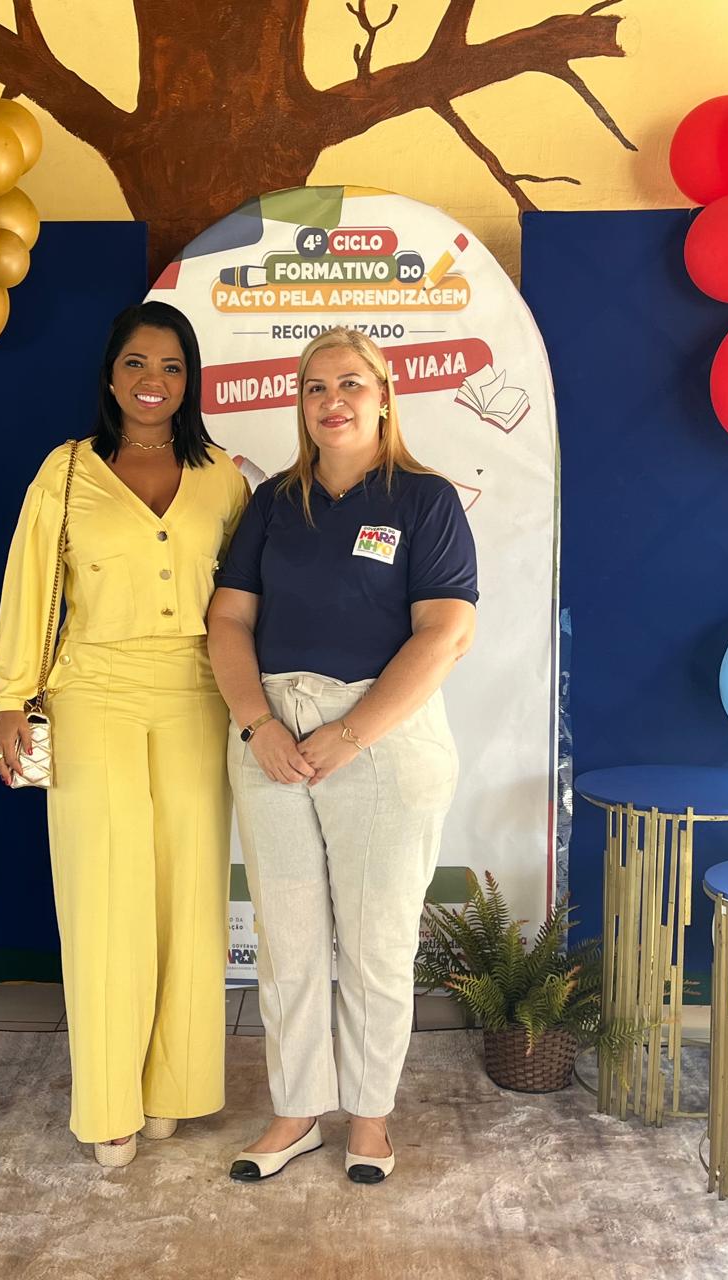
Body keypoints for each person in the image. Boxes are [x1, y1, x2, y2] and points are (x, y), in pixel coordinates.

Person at [207, 328, 477, 1185]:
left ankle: (368, 1118)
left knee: (376, 942)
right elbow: (228, 621)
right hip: (272, 733)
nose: (333, 401)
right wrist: (259, 724)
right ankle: (295, 1114)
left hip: (382, 739)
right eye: (316, 386)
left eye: (352, 383)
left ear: (384, 396)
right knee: (287, 941)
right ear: (300, 403)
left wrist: (351, 732)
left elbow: (446, 632)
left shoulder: (424, 500)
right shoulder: (273, 503)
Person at [0, 301, 249, 1167]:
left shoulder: (223, 478)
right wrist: (11, 699)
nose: (153, 381)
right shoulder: (66, 472)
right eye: (137, 363)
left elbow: (251, 602)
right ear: (110, 375)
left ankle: (175, 1086)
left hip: (198, 696)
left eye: (171, 366)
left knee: (189, 894)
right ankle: (109, 1103)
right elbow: (29, 585)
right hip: (92, 691)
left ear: (191, 380)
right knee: (103, 895)